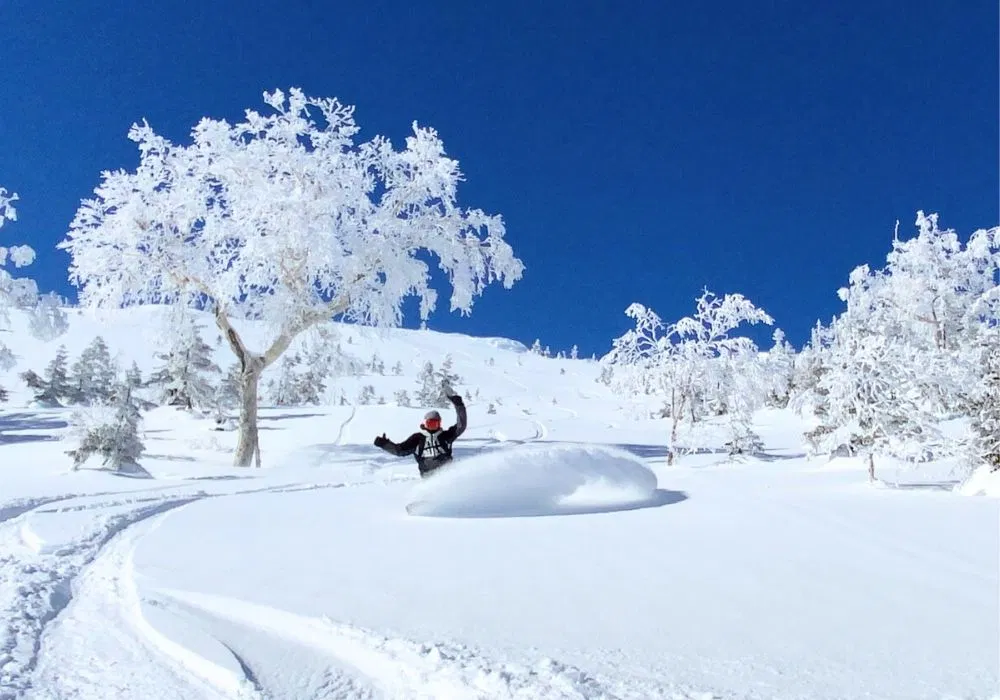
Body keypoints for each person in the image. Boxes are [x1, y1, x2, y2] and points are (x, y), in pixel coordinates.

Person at [374, 394, 467, 477]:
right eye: (430, 424)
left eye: (436, 424)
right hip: (428, 477)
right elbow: (399, 450)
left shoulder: (445, 436)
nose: (433, 427)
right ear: (425, 424)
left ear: (440, 424)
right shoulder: (417, 438)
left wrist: (459, 406)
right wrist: (384, 444)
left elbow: (461, 425)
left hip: (447, 474)